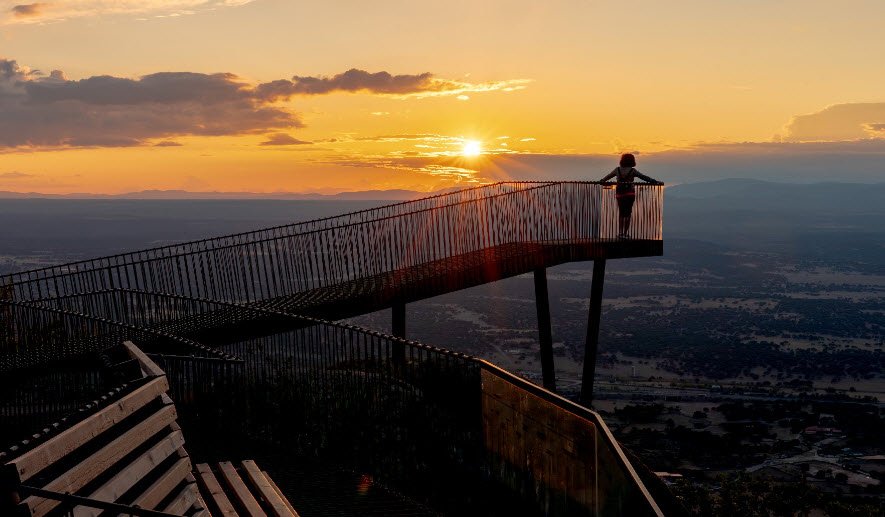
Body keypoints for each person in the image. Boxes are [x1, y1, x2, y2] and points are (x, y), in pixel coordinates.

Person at [599, 153, 662, 239]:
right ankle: (625, 233)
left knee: (621, 213)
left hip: (620, 193)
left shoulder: (617, 170)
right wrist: (654, 181)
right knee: (628, 213)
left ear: (622, 160)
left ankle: (620, 233)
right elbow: (643, 177)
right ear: (632, 161)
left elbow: (606, 178)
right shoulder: (633, 171)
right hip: (630, 193)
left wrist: (602, 181)